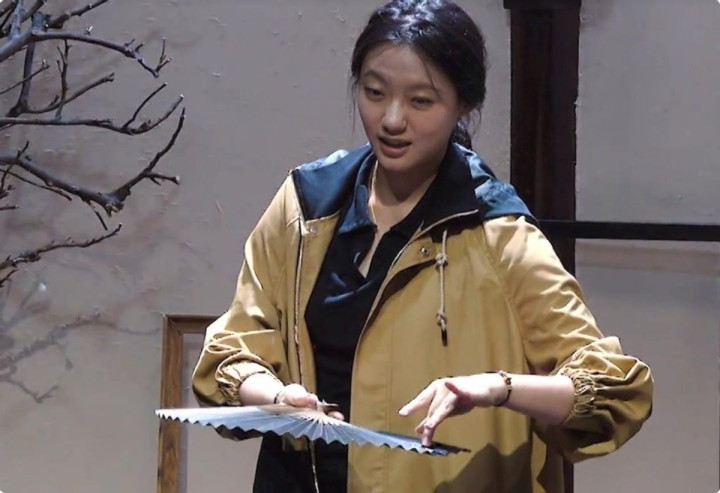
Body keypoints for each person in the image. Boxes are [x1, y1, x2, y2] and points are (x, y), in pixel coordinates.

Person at [191, 0, 653, 491]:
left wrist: (497, 388)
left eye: (421, 101)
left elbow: (614, 391)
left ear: (463, 105)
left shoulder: (498, 234)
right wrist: (276, 397)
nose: (392, 119)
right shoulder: (306, 207)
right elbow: (231, 351)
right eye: (374, 92)